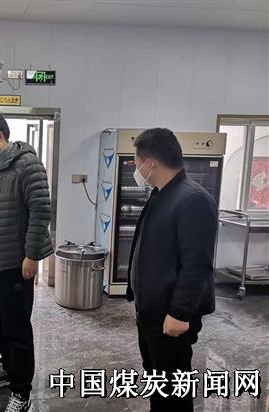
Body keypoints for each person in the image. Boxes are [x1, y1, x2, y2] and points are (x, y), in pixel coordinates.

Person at [127, 128, 218, 412]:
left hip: (171, 315)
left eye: (136, 162)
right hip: (151, 311)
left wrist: (179, 313)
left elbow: (197, 265)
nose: (135, 168)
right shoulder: (162, 193)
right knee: (158, 379)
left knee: (173, 388)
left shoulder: (193, 200)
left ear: (150, 163)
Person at [0, 113, 53, 412]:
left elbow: (41, 212)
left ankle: (21, 390)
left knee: (16, 327)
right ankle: (8, 367)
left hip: (16, 262)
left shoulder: (27, 165)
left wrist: (32, 256)